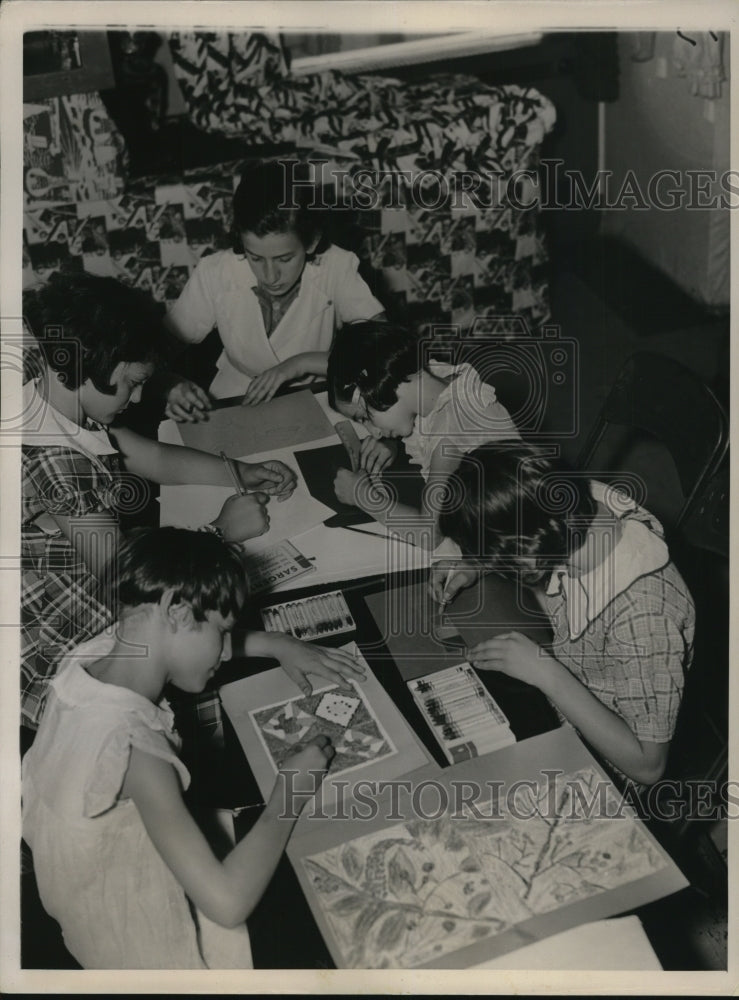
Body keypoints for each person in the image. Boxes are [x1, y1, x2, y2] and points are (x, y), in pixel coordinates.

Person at [21, 273, 344, 734]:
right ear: (92, 361)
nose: (135, 399)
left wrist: (237, 470)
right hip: (65, 638)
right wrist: (219, 532)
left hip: (92, 579)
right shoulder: (58, 462)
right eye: (132, 383)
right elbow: (135, 594)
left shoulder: (53, 393)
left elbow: (147, 453)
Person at [22, 527, 337, 969]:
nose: (222, 648)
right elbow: (227, 905)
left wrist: (274, 643)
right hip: (143, 946)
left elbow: (190, 643)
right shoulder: (135, 752)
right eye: (222, 630)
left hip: (84, 896)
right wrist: (291, 790)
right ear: (179, 613)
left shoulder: (89, 658)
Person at [432, 441, 695, 786]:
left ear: (526, 552)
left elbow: (648, 767)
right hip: (564, 687)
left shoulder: (641, 618)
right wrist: (475, 564)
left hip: (602, 765)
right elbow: (531, 528)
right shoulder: (576, 508)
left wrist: (545, 672)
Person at [163, 159, 385, 420]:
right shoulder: (216, 272)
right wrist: (168, 384)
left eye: (284, 259)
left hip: (319, 398)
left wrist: (298, 365)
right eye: (255, 257)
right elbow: (152, 353)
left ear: (312, 241)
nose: (270, 276)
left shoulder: (335, 266)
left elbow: (382, 351)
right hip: (234, 399)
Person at [327, 321, 520, 548]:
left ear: (384, 385)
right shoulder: (428, 378)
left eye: (365, 418)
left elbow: (429, 534)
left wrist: (360, 495)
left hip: (505, 547)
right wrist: (391, 441)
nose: (374, 432)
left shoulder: (452, 433)